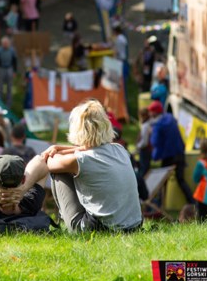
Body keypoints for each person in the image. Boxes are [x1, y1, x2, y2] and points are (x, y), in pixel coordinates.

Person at [42, 99, 143, 233]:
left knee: (59, 171)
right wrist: (59, 147)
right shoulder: (120, 149)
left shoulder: (81, 160)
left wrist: (53, 151)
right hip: (133, 226)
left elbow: (50, 162)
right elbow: (88, 148)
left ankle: (67, 222)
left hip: (102, 229)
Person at [148, 100, 194, 204]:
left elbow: (155, 142)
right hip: (179, 153)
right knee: (180, 180)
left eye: (151, 111)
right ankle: (192, 202)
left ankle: (159, 204)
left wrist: (154, 157)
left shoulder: (157, 125)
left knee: (162, 182)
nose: (149, 114)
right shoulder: (171, 118)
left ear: (155, 112)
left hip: (168, 156)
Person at [0, 37, 17, 108]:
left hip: (9, 68)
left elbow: (14, 61)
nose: (5, 45)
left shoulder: (12, 51)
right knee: (0, 87)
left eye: (7, 43)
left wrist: (14, 71)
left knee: (9, 87)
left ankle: (8, 104)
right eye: (4, 44)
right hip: (1, 69)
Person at [135, 108, 152, 178]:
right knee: (146, 168)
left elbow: (144, 142)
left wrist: (138, 146)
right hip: (147, 150)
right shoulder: (148, 123)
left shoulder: (145, 126)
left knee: (143, 169)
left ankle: (140, 184)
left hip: (145, 150)